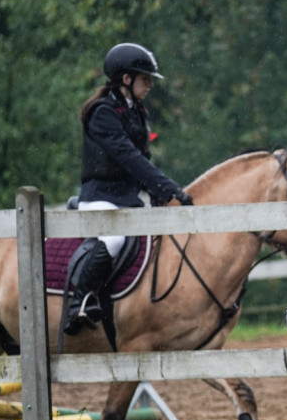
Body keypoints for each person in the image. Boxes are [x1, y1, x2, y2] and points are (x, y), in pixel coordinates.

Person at [63, 42, 193, 336]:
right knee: (114, 240)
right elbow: (128, 157)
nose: (149, 85)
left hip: (128, 200)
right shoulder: (102, 113)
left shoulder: (136, 111)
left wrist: (160, 194)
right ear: (125, 79)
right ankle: (79, 303)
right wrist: (168, 186)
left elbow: (141, 160)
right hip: (100, 198)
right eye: (144, 79)